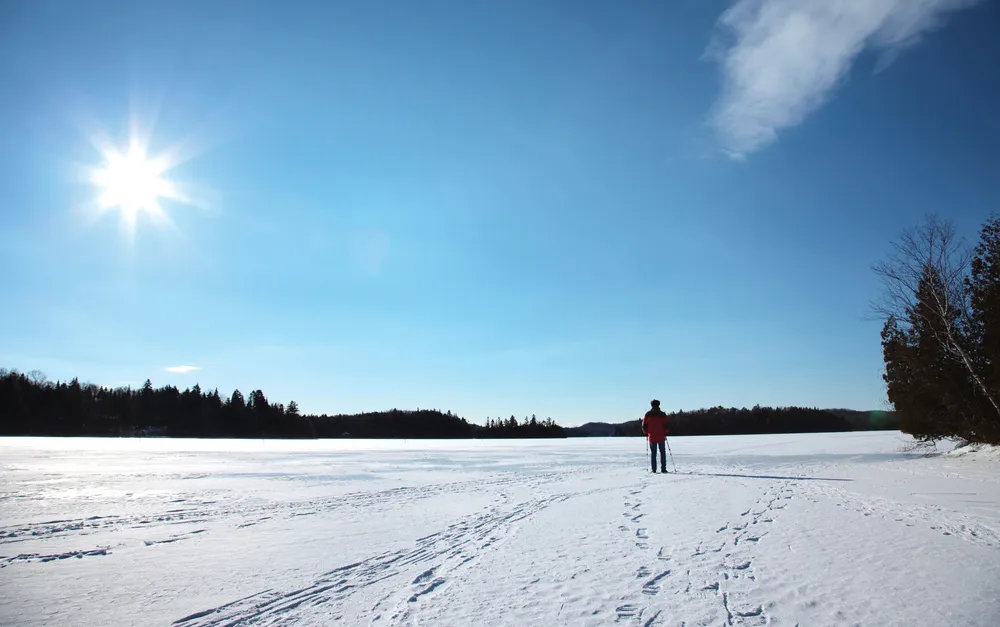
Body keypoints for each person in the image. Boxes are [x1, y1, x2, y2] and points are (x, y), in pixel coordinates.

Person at [642, 399, 669, 473]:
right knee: (662, 452)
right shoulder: (662, 414)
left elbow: (644, 425)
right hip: (661, 436)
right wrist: (665, 432)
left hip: (652, 436)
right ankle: (663, 469)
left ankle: (654, 470)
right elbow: (666, 425)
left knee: (653, 453)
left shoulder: (648, 414)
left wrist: (647, 432)